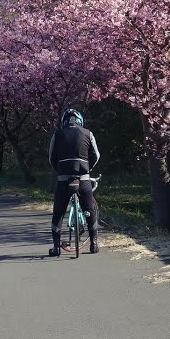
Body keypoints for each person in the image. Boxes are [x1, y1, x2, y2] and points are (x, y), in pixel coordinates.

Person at [47, 108, 101, 256]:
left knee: (58, 212)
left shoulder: (57, 134)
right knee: (89, 210)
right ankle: (94, 244)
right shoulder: (88, 133)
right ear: (80, 121)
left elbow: (51, 157)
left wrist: (59, 170)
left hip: (63, 178)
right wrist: (88, 168)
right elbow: (96, 155)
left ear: (64, 121)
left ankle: (56, 247)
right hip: (83, 178)